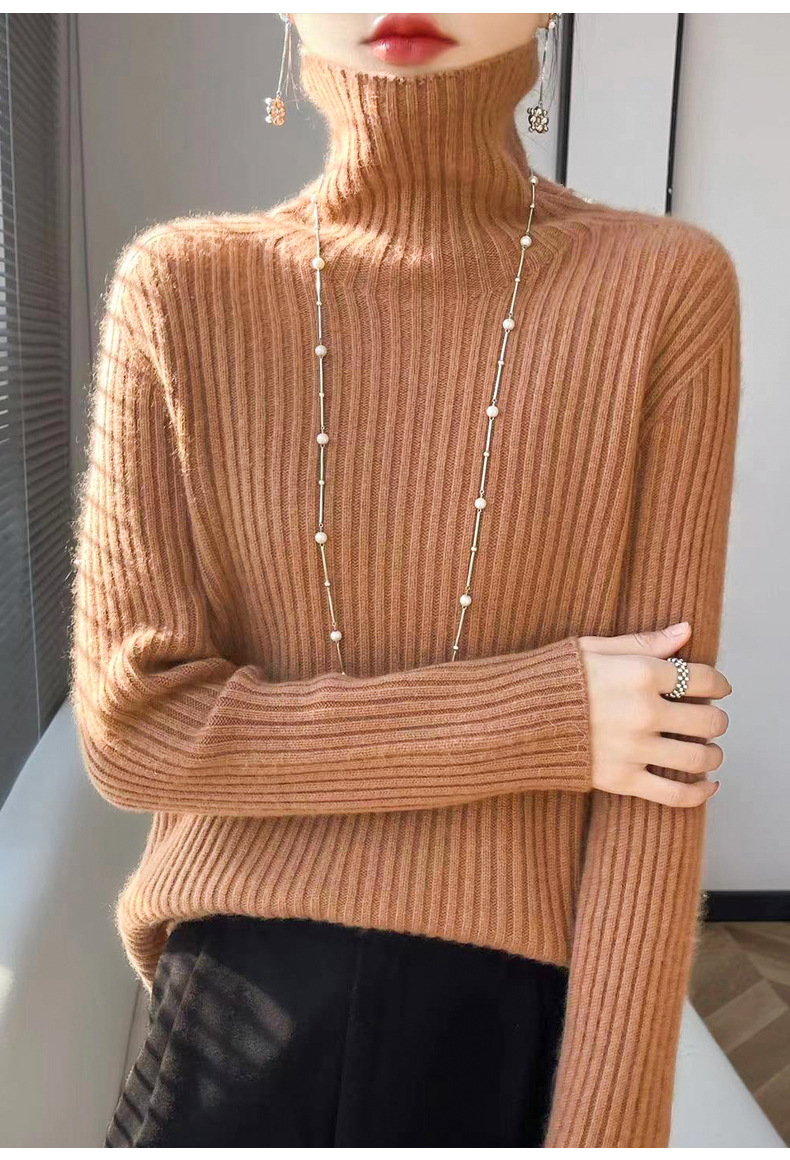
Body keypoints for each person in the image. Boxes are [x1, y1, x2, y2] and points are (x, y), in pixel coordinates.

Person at [70, 12, 740, 1148]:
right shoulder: (178, 288)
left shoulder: (665, 288)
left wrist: (610, 1131)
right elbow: (135, 729)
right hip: (235, 1015)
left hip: (508, 1031)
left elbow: (667, 744)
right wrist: (551, 715)